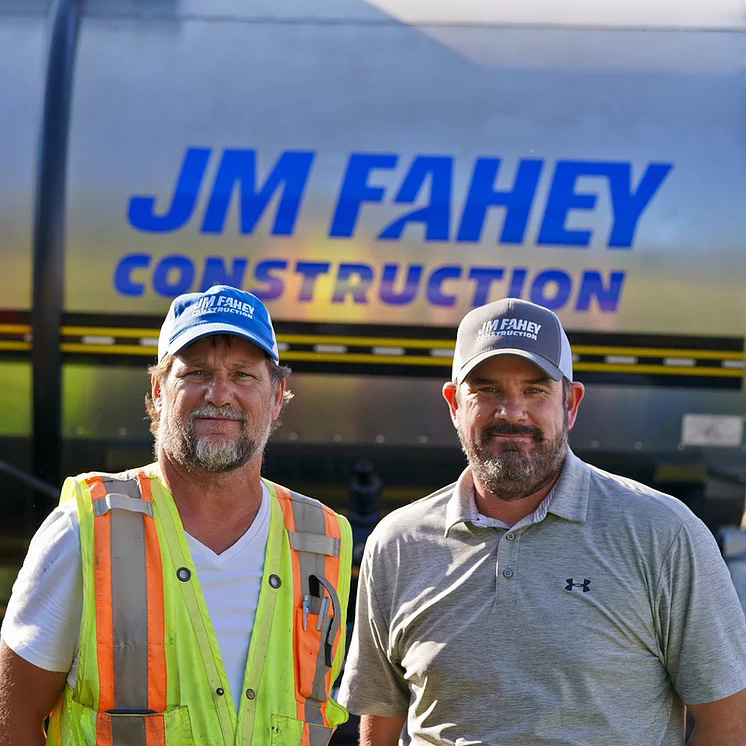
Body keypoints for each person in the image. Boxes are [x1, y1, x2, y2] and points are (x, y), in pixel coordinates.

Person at [339, 298, 746, 746]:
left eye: (535, 391)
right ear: (454, 403)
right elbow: (381, 721)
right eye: (487, 390)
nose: (511, 412)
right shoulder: (397, 544)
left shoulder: (663, 534)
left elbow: (728, 723)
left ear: (570, 404)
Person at [0, 285, 352, 745]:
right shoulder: (86, 528)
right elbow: (14, 718)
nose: (219, 393)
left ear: (278, 394)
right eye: (197, 372)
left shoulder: (322, 538)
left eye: (244, 375)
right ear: (158, 390)